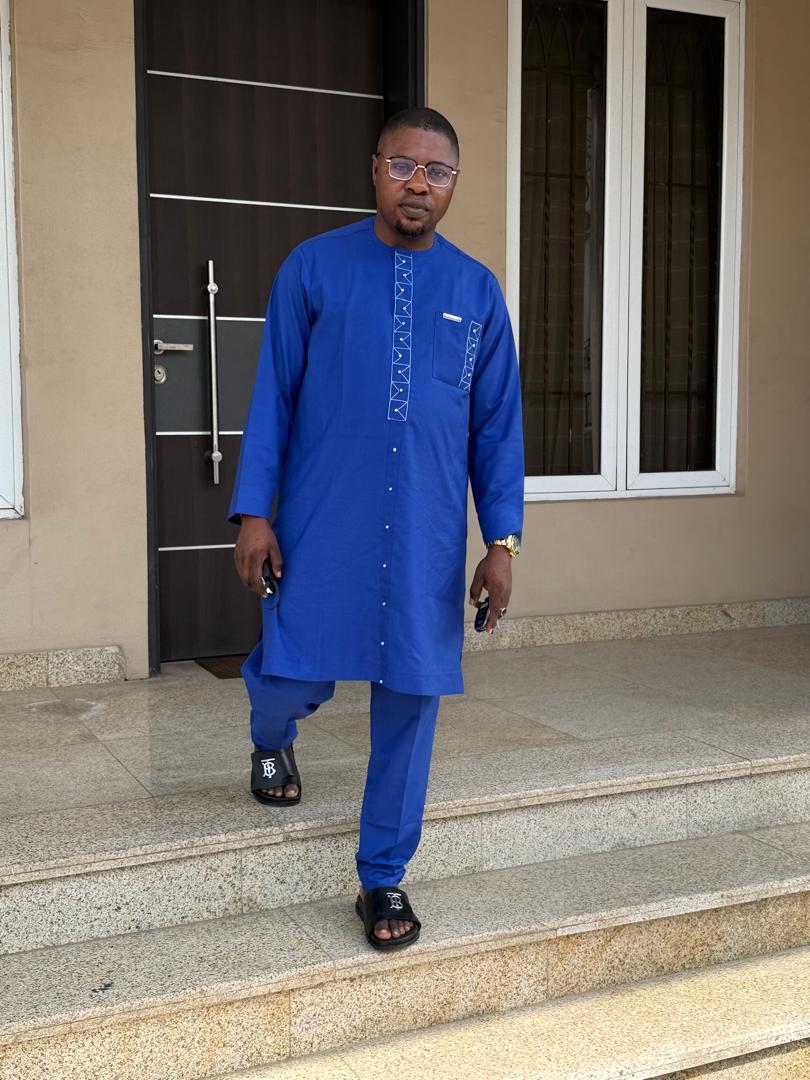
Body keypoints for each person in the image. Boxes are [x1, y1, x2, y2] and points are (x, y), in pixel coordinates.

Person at [228, 106, 524, 951]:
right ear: (375, 169)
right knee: (290, 672)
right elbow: (272, 398)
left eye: (437, 171)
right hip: (323, 524)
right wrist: (255, 513)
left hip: (425, 540)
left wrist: (501, 543)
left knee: (412, 700)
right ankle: (270, 736)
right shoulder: (313, 268)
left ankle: (383, 876)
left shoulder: (476, 291)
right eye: (403, 165)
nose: (418, 184)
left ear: (454, 184)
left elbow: (496, 428)